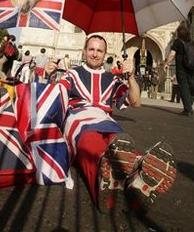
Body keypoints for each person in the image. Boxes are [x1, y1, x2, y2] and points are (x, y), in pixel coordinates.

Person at [45, 34, 176, 213]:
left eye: (99, 50)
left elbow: (136, 101)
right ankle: (106, 184)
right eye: (91, 49)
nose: (95, 54)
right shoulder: (72, 75)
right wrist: (48, 74)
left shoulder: (112, 79)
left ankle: (138, 180)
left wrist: (130, 77)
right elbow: (54, 95)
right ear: (84, 52)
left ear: (105, 53)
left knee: (120, 143)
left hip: (106, 121)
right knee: (92, 147)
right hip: (79, 120)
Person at [164, 22, 194, 116]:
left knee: (183, 87)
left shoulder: (178, 42)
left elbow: (172, 54)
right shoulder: (191, 42)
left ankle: (188, 109)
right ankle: (189, 103)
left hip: (182, 69)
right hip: (191, 67)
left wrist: (167, 63)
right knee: (189, 86)